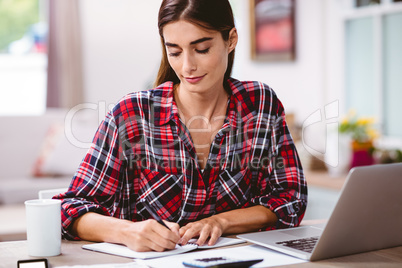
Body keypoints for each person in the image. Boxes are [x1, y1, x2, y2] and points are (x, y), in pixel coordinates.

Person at [55, 0, 307, 253]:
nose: (187, 66)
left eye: (202, 49)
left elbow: (290, 198)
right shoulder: (133, 114)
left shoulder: (260, 103)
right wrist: (127, 231)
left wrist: (220, 222)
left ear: (231, 40)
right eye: (174, 52)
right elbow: (68, 210)